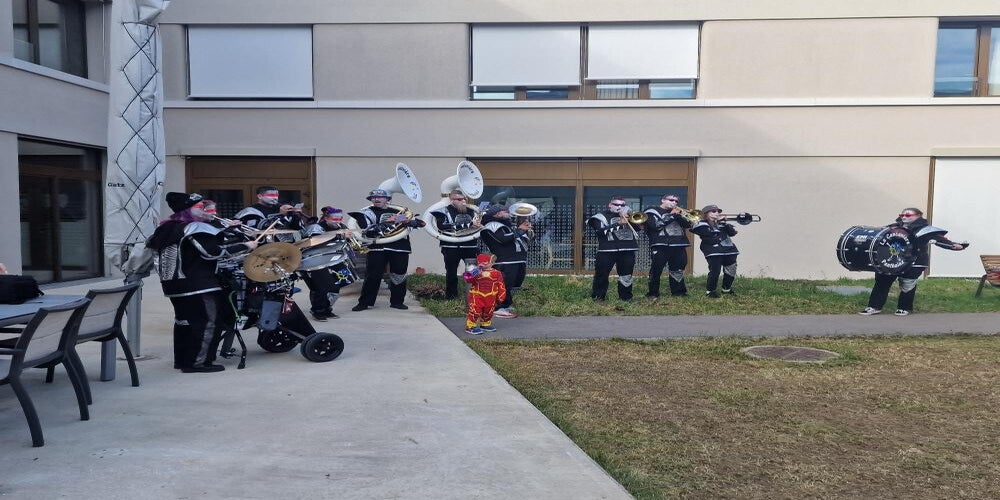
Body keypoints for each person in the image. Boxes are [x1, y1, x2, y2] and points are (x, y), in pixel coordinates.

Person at [146, 192, 257, 373]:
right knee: (208, 321)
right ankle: (199, 362)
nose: (204, 209)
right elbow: (212, 253)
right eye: (199, 206)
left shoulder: (166, 228)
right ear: (188, 209)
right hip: (198, 284)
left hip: (173, 284)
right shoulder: (194, 228)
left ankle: (183, 360)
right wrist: (245, 246)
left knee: (184, 322)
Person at [860, 208, 967, 316]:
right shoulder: (893, 227)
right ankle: (874, 307)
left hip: (914, 261)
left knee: (907, 284)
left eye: (908, 215)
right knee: (882, 282)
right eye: (902, 215)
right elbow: (879, 237)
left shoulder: (926, 230)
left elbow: (940, 240)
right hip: (893, 260)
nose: (904, 217)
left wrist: (953, 245)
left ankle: (904, 308)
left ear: (919, 215)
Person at [349, 188, 425, 311]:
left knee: (399, 275)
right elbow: (367, 230)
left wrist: (403, 220)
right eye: (373, 197)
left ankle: (397, 302)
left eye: (380, 197)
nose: (376, 199)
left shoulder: (398, 212)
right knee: (372, 276)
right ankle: (364, 303)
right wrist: (387, 223)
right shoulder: (367, 212)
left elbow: (421, 223)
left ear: (387, 199)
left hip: (400, 247)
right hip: (377, 247)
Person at [300, 206, 352, 321]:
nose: (338, 221)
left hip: (336, 259)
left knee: (338, 284)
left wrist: (348, 238)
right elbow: (314, 243)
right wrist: (338, 235)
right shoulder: (317, 228)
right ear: (326, 218)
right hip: (318, 260)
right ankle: (318, 310)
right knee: (321, 287)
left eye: (340, 219)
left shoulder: (342, 227)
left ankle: (327, 309)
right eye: (335, 219)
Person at [481, 204, 531, 318]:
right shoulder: (492, 225)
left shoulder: (507, 226)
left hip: (517, 261)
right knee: (505, 285)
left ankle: (506, 305)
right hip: (506, 262)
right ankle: (499, 308)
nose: (508, 212)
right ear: (497, 214)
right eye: (505, 211)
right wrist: (519, 230)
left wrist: (525, 232)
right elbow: (503, 239)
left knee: (513, 285)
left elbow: (519, 239)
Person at [430, 189, 482, 299]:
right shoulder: (443, 211)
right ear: (452, 200)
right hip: (451, 247)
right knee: (451, 272)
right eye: (459, 199)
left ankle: (473, 295)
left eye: (464, 199)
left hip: (470, 246)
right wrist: (469, 224)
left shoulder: (472, 210)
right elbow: (442, 227)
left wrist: (478, 224)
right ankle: (451, 296)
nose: (463, 201)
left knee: (473, 271)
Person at [587, 196, 641, 301]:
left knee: (626, 275)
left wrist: (632, 220)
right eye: (616, 204)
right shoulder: (600, 216)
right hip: (607, 250)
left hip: (627, 250)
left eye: (622, 205)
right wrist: (619, 223)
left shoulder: (628, 216)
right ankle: (598, 297)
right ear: (610, 205)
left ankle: (626, 298)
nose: (619, 207)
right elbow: (600, 232)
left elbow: (639, 229)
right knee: (602, 274)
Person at [644, 194, 692, 297]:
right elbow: (655, 226)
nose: (674, 202)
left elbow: (688, 225)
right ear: (663, 200)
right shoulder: (652, 211)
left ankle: (679, 292)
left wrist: (681, 216)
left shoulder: (678, 212)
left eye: (676, 201)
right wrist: (671, 215)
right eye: (671, 200)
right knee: (656, 270)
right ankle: (653, 293)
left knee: (678, 269)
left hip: (678, 244)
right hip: (660, 245)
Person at [690, 205, 739, 298]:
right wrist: (716, 224)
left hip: (729, 249)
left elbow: (732, 233)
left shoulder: (721, 223)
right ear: (706, 214)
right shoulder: (701, 223)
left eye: (718, 212)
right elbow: (708, 234)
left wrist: (724, 223)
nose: (717, 213)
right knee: (715, 271)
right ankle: (710, 291)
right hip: (713, 250)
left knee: (731, 269)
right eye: (713, 211)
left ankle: (726, 289)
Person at [462, 253, 507, 335]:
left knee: (489, 311)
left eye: (485, 263)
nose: (482, 264)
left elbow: (501, 285)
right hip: (477, 295)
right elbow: (467, 279)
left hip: (491, 296)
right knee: (475, 310)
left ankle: (485, 324)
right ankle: (470, 326)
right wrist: (473, 272)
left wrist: (501, 296)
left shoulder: (497, 273)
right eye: (480, 262)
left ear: (492, 262)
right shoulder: (476, 271)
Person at [233, 185, 303, 237]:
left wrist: (296, 217)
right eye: (271, 195)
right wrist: (281, 215)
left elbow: (296, 228)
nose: (275, 198)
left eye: (276, 195)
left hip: (286, 244)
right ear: (260, 196)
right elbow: (257, 230)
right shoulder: (250, 211)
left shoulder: (281, 208)